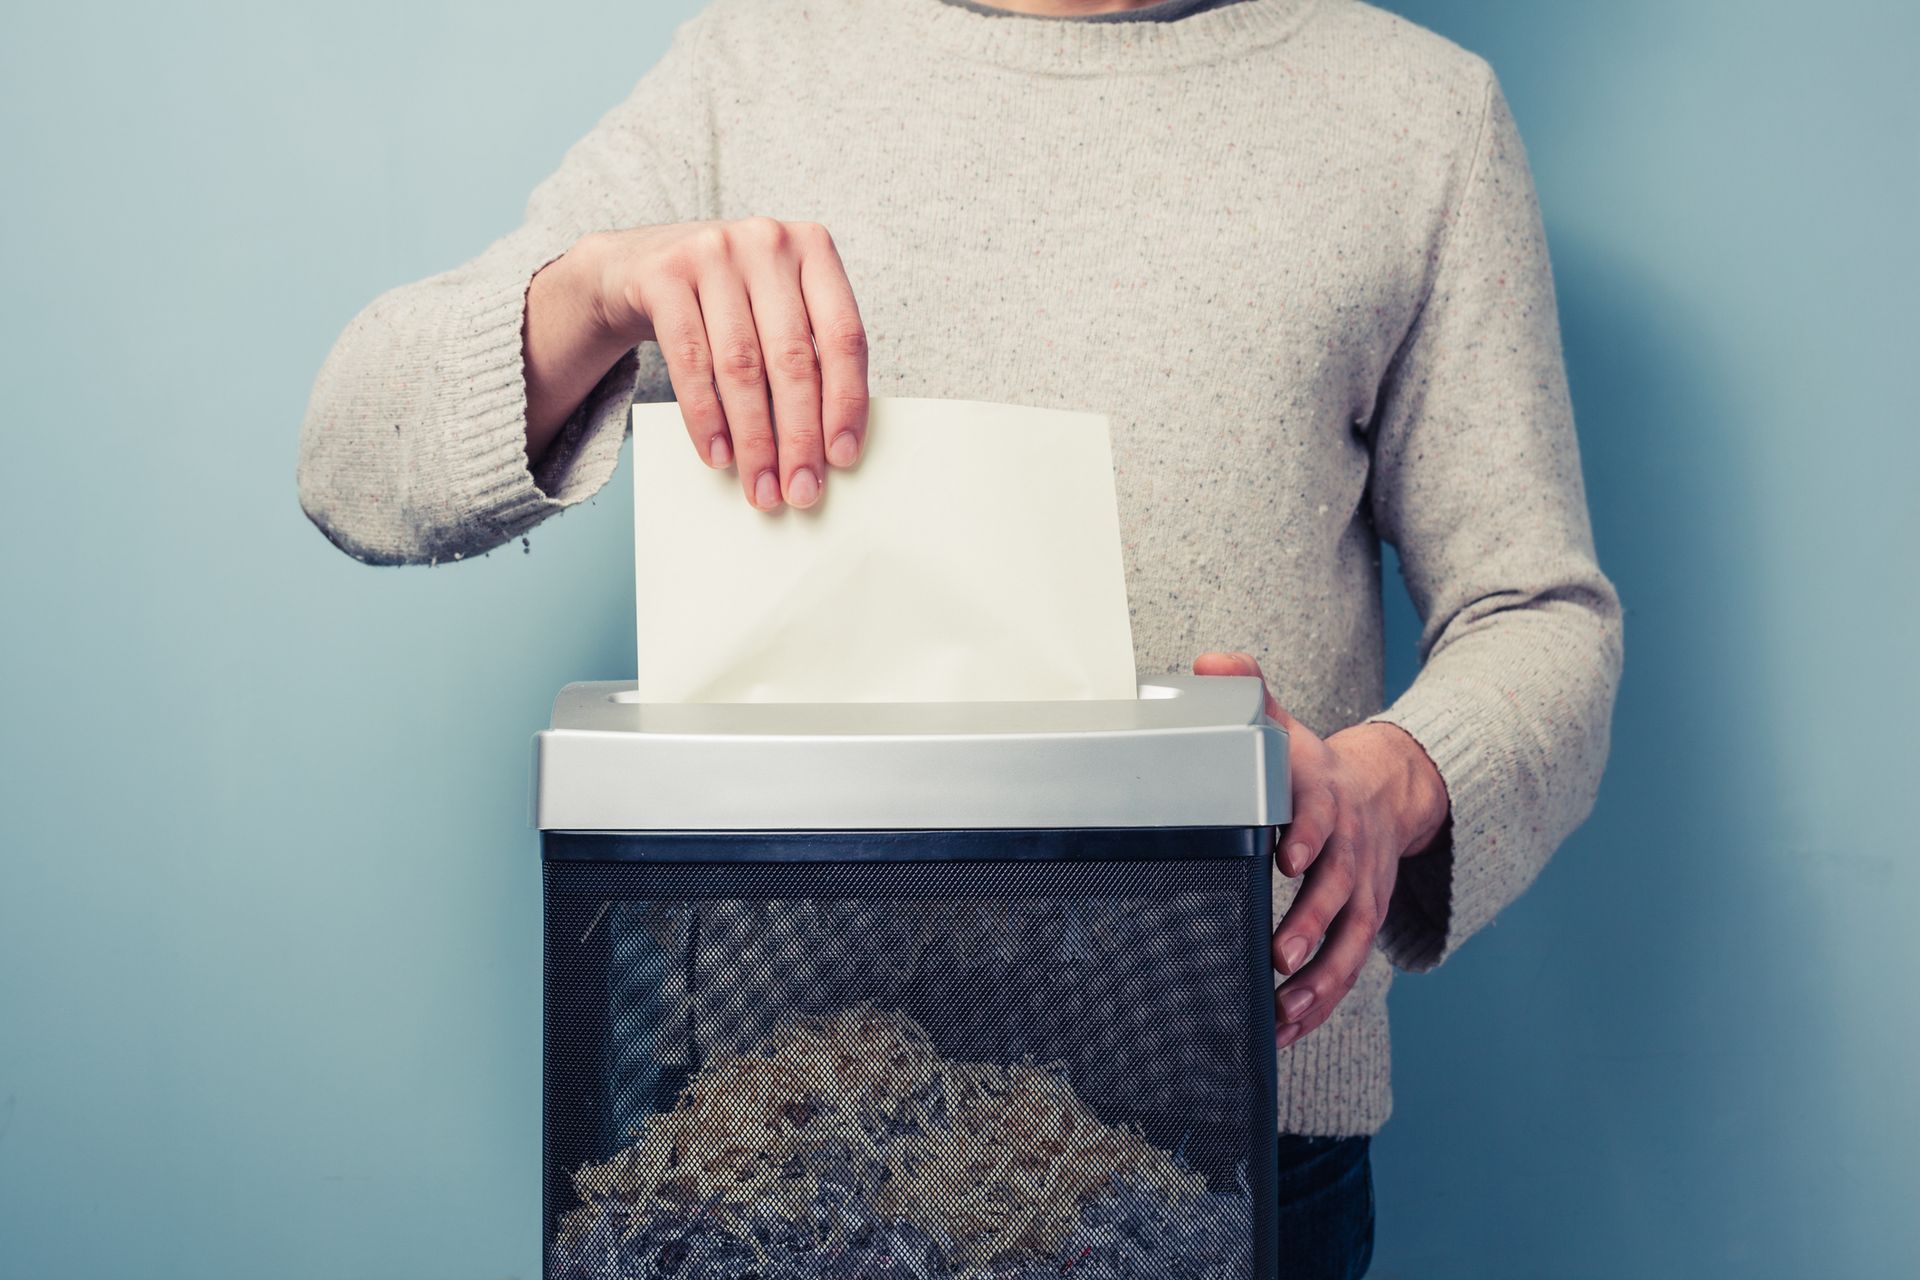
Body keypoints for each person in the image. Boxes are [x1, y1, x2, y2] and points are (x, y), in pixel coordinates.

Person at [296, 0, 1623, 1274]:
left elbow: (1541, 616)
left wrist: (1392, 781)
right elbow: (353, 458)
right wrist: (593, 292)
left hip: (1231, 1131)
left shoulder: (1418, 116)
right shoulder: (746, 74)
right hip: (778, 1140)